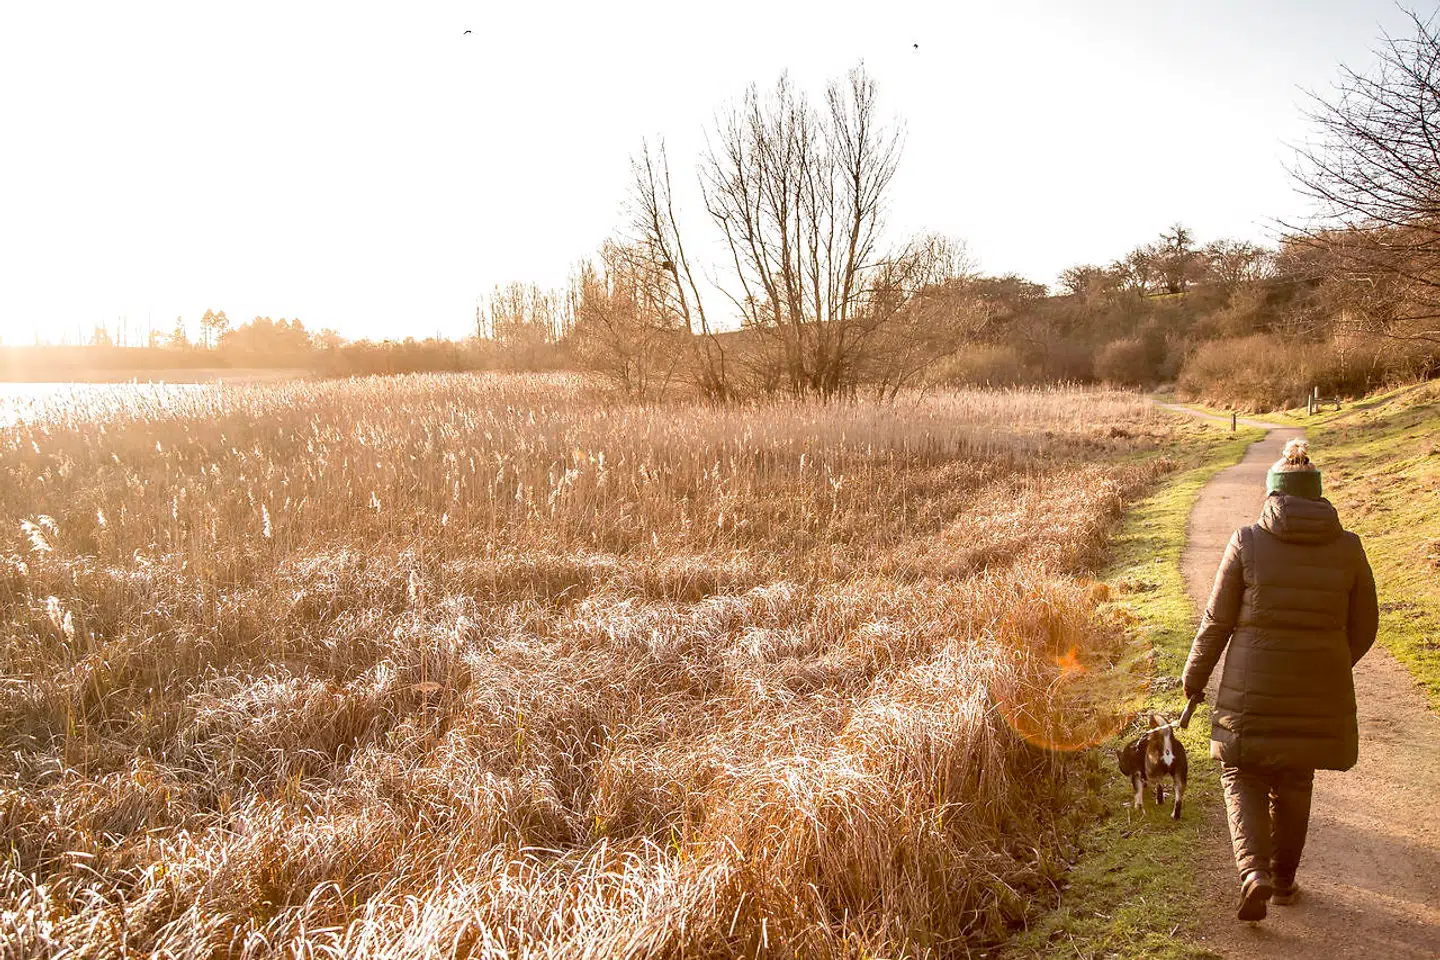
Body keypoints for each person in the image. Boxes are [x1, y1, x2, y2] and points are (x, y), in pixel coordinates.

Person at [1182, 437, 1378, 922]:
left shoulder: (1247, 541)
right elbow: (1367, 625)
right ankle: (1285, 881)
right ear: (1319, 496)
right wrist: (1332, 663)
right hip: (1317, 689)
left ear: (1272, 495)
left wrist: (1193, 681)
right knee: (1295, 779)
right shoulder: (1349, 548)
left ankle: (1254, 875)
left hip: (1249, 695)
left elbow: (1216, 622)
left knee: (1241, 774)